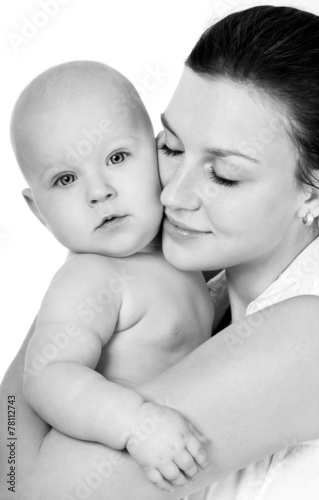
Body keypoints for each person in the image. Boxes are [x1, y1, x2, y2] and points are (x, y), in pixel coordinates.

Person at [2, 5, 319, 500]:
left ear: (317, 191)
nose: (172, 195)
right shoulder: (202, 294)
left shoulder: (318, 333)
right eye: (171, 147)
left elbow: (18, 485)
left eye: (224, 174)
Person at [10, 60, 214, 493]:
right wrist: (135, 425)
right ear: (38, 211)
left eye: (117, 157)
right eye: (65, 179)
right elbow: (49, 377)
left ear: (162, 153)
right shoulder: (91, 277)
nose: (99, 190)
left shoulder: (180, 247)